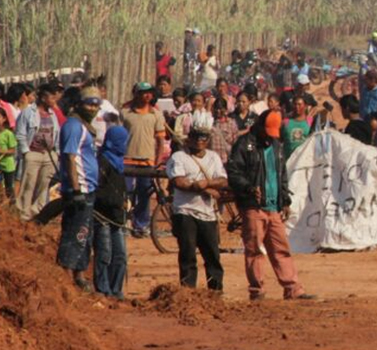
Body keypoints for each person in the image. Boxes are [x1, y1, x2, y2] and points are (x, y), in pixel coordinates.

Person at [226, 112, 313, 301]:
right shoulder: (244, 144)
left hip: (274, 207)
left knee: (281, 248)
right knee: (254, 250)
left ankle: (293, 289)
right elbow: (233, 171)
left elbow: (281, 174)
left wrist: (285, 199)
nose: (270, 136)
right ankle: (257, 291)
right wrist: (248, 188)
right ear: (259, 126)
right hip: (253, 207)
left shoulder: (276, 145)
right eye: (267, 132)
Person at [167, 128, 227, 291]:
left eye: (203, 138)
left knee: (213, 255)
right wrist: (202, 188)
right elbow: (178, 182)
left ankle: (215, 292)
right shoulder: (178, 157)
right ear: (189, 139)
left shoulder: (213, 157)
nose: (199, 141)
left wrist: (205, 183)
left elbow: (222, 180)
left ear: (207, 140)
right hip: (185, 211)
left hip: (208, 214)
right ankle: (187, 291)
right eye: (196, 137)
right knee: (188, 255)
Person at [55, 89, 101, 292]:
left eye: (96, 104)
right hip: (79, 188)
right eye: (89, 104)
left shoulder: (83, 126)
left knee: (85, 233)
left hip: (88, 187)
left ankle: (79, 275)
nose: (94, 108)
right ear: (78, 104)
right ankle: (64, 278)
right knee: (75, 233)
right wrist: (76, 189)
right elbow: (70, 158)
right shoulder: (73, 126)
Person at [121, 81, 169, 237]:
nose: (147, 95)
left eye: (149, 92)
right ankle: (123, 223)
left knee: (144, 194)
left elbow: (161, 140)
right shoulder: (125, 112)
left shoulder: (156, 114)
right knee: (125, 193)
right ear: (136, 94)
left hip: (147, 161)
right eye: (143, 92)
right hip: (127, 159)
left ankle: (141, 225)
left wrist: (158, 160)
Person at [93, 123, 129, 299]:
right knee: (104, 253)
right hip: (102, 216)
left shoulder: (119, 163)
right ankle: (103, 289)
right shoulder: (102, 161)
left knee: (120, 255)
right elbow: (97, 189)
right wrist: (116, 202)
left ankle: (116, 289)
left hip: (117, 217)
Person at [15, 83, 61, 220]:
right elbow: (20, 133)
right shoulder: (28, 113)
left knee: (44, 185)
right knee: (28, 185)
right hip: (33, 153)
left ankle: (37, 214)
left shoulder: (53, 115)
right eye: (51, 97)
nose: (54, 100)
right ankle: (23, 214)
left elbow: (56, 134)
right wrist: (26, 152)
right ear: (43, 97)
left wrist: (56, 152)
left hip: (49, 155)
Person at [208, 97, 239, 163]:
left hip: (226, 160)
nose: (218, 111)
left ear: (225, 109)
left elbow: (235, 141)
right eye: (216, 108)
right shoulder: (209, 121)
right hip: (211, 160)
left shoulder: (231, 123)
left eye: (220, 108)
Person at [0, 109, 16, 203]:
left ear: (4, 119)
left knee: (9, 187)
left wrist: (3, 151)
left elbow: (13, 150)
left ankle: (12, 206)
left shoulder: (8, 134)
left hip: (7, 166)